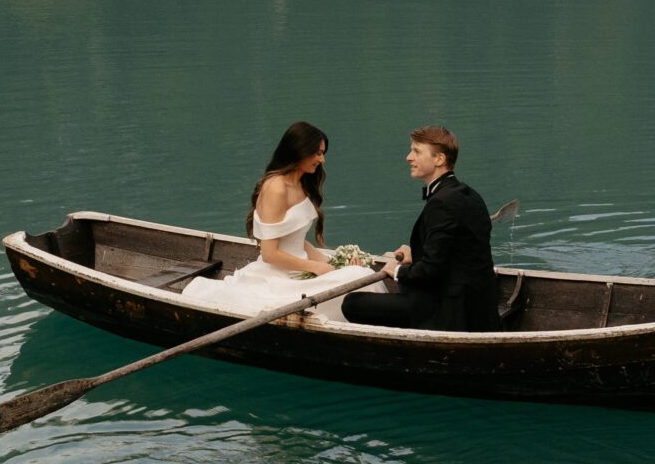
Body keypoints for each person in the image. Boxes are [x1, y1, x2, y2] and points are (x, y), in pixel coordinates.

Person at [179, 121, 385, 322]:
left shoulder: (302, 183)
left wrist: (333, 264)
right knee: (359, 279)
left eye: (323, 153)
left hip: (302, 268)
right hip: (279, 277)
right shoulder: (276, 188)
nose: (322, 160)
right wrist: (314, 267)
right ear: (299, 151)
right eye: (317, 153)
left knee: (360, 274)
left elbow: (298, 241)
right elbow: (269, 254)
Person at [341, 125, 502, 332]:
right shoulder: (470, 194)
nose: (409, 157)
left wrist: (397, 270)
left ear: (439, 159)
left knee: (352, 303)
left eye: (417, 151)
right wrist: (416, 254)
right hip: (480, 305)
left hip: (448, 309)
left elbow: (431, 271)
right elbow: (456, 252)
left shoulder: (441, 203)